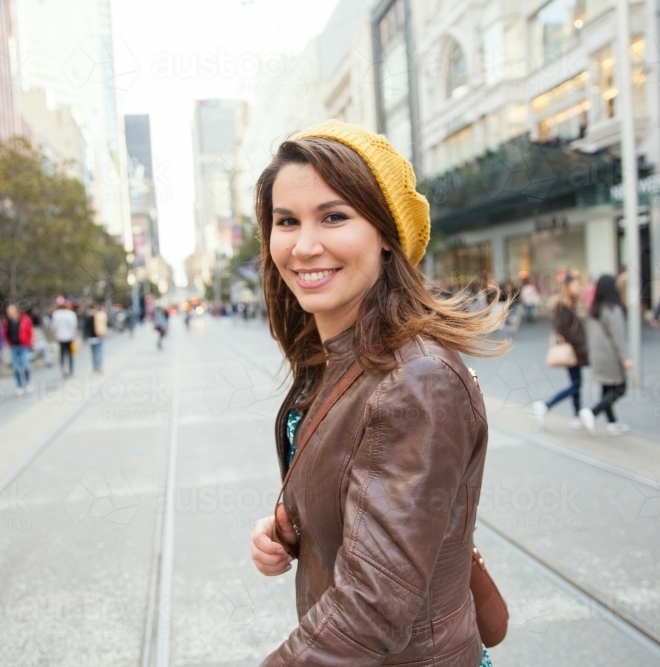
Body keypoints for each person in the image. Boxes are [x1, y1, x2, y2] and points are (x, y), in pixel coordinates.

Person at [248, 121, 504, 666]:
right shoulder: (332, 356)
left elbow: (371, 605)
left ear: (387, 233)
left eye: (334, 216)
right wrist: (295, 527)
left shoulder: (418, 381)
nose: (304, 245)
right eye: (286, 221)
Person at [532, 275, 589, 429]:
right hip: (573, 350)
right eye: (576, 285)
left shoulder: (570, 304)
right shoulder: (561, 305)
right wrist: (577, 343)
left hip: (576, 350)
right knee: (576, 385)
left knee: (576, 384)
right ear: (568, 286)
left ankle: (577, 416)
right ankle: (546, 405)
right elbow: (562, 329)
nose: (578, 288)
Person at [581, 275, 633, 435]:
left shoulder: (594, 310)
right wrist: (624, 358)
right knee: (620, 388)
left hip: (597, 356)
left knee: (607, 388)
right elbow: (618, 336)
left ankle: (612, 423)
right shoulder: (613, 309)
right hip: (610, 356)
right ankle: (592, 412)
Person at [2, 304, 34, 395]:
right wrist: (6, 344)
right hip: (13, 346)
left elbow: (30, 331)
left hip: (23, 346)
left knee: (26, 365)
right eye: (8, 311)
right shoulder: (7, 323)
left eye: (11, 310)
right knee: (16, 368)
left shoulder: (24, 320)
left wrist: (29, 342)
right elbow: (5, 333)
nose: (10, 313)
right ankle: (19, 385)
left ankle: (28, 382)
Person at [51, 300, 78, 377]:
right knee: (70, 354)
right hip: (69, 337)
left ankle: (63, 366)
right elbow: (74, 327)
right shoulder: (71, 314)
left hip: (60, 337)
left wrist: (54, 337)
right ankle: (71, 369)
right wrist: (74, 338)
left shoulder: (56, 314)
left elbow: (54, 327)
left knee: (62, 354)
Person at [84, 303, 107, 373]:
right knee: (98, 353)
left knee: (94, 353)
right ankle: (98, 366)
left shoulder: (89, 318)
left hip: (92, 339)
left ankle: (95, 366)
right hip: (98, 338)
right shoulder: (99, 317)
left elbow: (86, 329)